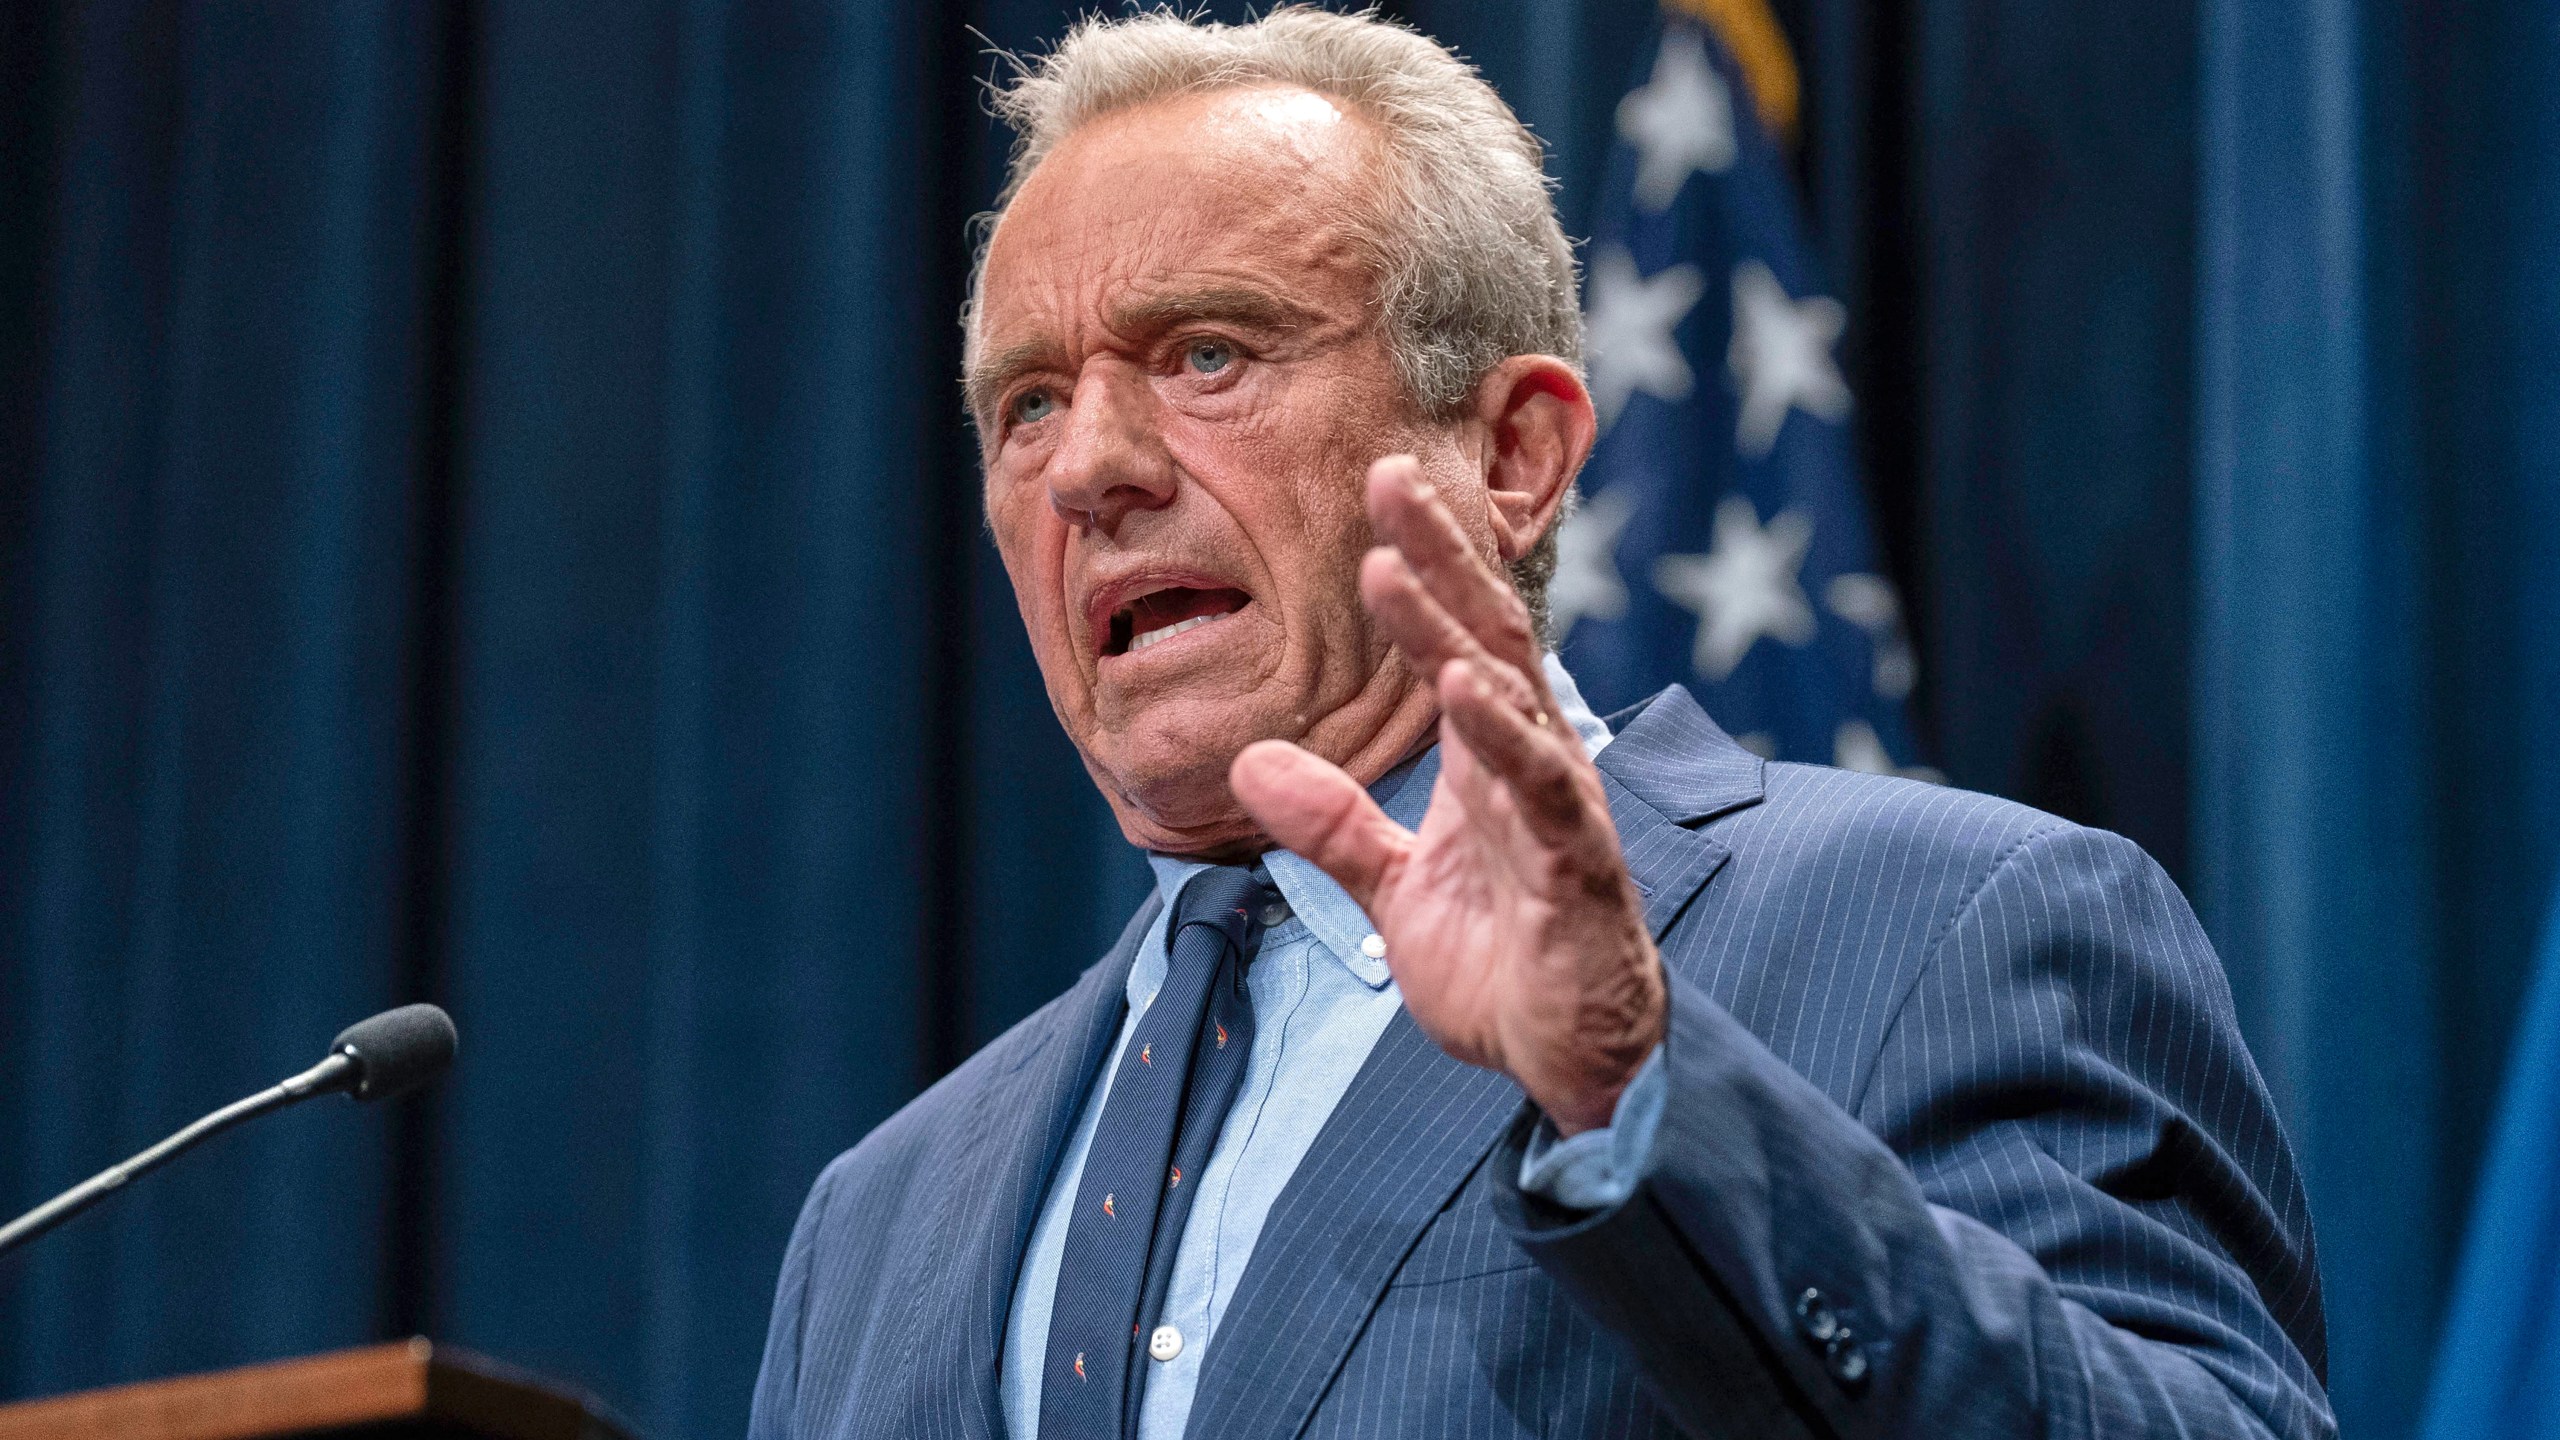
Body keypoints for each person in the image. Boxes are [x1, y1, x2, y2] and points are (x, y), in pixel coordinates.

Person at [749, 9, 2330, 1439]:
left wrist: (1639, 1093)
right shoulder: (880, 1219)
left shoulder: (1952, 926)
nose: (1090, 463)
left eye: (1206, 353)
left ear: (1511, 454)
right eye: (1027, 402)